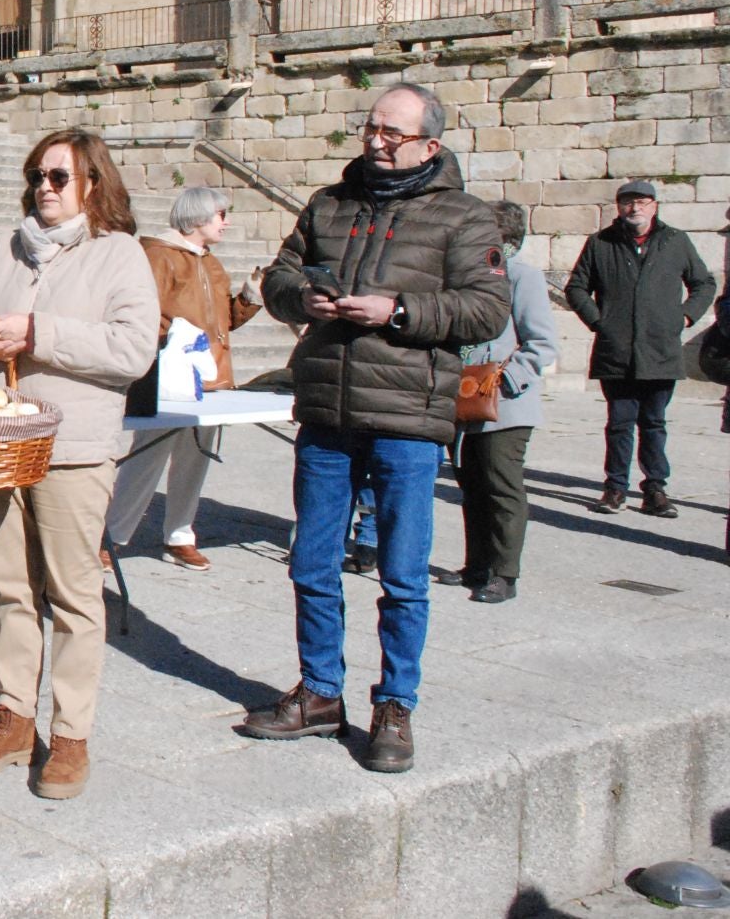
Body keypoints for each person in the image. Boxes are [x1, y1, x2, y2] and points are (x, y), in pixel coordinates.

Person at [243, 83, 509, 775]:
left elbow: (486, 311)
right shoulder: (329, 203)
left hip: (407, 418)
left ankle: (395, 703)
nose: (376, 140)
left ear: (430, 143)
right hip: (328, 409)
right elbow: (277, 275)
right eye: (371, 126)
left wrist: (396, 311)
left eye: (392, 131)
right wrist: (303, 295)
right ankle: (320, 691)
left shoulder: (464, 217)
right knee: (311, 561)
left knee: (402, 572)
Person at [0, 129, 159, 800]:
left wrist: (40, 334)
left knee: (72, 594)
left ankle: (70, 736)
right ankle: (13, 718)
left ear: (92, 183)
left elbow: (133, 349)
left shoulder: (119, 254)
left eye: (58, 176)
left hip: (74, 447)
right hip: (0, 443)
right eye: (37, 174)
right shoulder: (3, 248)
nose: (43, 186)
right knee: (11, 587)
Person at [106, 186, 262, 571]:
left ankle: (180, 535)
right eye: (220, 215)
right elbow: (142, 315)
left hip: (211, 383)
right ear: (197, 219)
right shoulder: (158, 256)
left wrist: (251, 298)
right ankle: (110, 537)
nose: (226, 223)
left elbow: (224, 324)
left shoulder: (211, 263)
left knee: (195, 460)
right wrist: (166, 352)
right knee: (147, 459)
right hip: (168, 380)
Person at [564, 180, 716, 518]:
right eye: (628, 203)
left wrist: (686, 316)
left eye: (642, 202)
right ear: (618, 208)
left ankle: (655, 489)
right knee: (619, 422)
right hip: (616, 350)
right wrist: (598, 322)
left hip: (660, 349)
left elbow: (704, 283)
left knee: (654, 422)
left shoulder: (675, 241)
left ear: (655, 206)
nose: (635, 209)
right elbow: (576, 287)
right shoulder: (600, 243)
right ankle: (615, 487)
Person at [438, 200, 561, 604]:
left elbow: (541, 341)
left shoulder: (522, 278)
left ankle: (504, 573)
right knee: (471, 485)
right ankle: (476, 565)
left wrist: (506, 379)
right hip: (464, 397)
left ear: (505, 240)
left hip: (505, 405)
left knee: (501, 487)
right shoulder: (464, 278)